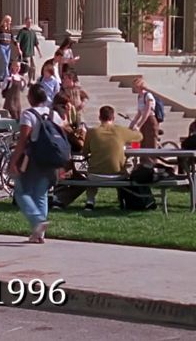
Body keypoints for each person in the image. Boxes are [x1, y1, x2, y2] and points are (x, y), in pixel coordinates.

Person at [54, 106, 143, 210]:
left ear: (99, 117)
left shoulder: (92, 132)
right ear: (113, 117)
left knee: (91, 174)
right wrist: (136, 130)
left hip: (94, 175)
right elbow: (139, 137)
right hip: (118, 174)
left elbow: (85, 152)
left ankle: (90, 201)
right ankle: (122, 200)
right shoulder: (121, 131)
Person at [8, 84, 63, 243]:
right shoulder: (54, 114)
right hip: (50, 160)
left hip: (32, 160)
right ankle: (38, 235)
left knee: (21, 192)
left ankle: (37, 220)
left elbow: (23, 140)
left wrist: (13, 161)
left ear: (31, 98)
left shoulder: (29, 114)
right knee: (41, 194)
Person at [129, 77, 158, 150]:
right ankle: (142, 159)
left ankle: (151, 160)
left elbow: (147, 112)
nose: (134, 88)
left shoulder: (148, 96)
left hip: (150, 120)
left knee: (150, 143)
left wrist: (139, 125)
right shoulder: (139, 97)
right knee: (142, 141)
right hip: (144, 121)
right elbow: (139, 112)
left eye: (135, 86)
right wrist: (133, 123)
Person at [15, 16, 43, 85]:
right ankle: (22, 80)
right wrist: (19, 50)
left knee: (33, 67)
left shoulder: (33, 32)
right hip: (25, 52)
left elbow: (36, 43)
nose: (29, 23)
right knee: (26, 67)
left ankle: (30, 80)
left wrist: (39, 52)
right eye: (28, 22)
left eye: (30, 22)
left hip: (31, 53)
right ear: (25, 22)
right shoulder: (22, 31)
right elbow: (18, 41)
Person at [0, 15, 14, 82]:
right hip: (2, 46)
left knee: (6, 62)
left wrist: (17, 44)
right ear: (6, 21)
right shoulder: (0, 29)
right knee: (5, 61)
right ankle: (7, 75)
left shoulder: (9, 30)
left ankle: (1, 76)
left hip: (8, 47)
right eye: (9, 21)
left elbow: (13, 38)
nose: (10, 22)